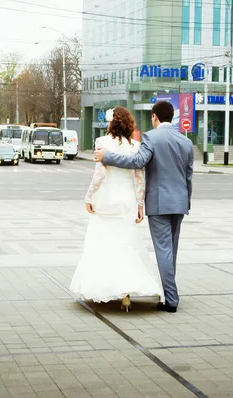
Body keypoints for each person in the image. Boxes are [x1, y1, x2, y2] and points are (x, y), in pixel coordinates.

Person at [94, 101, 194, 313]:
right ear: (172, 117)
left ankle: (172, 299)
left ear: (155, 117)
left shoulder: (151, 137)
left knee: (164, 251)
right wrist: (187, 201)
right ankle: (170, 293)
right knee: (171, 251)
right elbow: (188, 177)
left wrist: (107, 157)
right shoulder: (185, 141)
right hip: (180, 203)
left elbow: (138, 162)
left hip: (159, 203)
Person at [69, 107, 163, 312]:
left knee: (102, 244)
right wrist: (140, 203)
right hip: (127, 200)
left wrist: (89, 196)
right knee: (127, 244)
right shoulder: (136, 146)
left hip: (106, 199)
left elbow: (99, 174)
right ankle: (126, 295)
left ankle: (103, 287)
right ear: (129, 123)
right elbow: (139, 178)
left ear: (111, 122)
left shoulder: (102, 143)